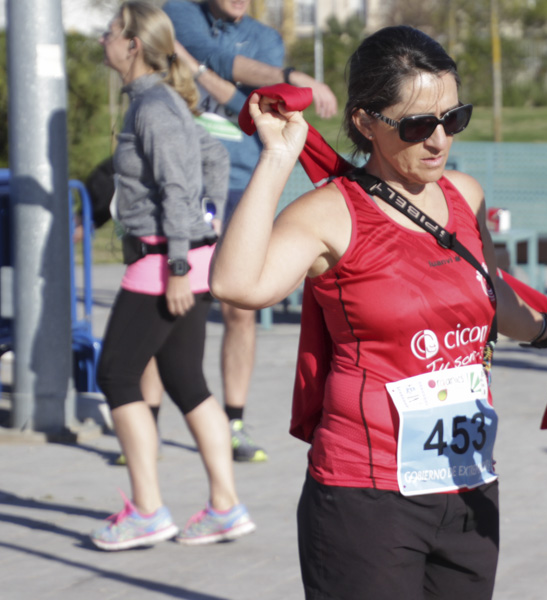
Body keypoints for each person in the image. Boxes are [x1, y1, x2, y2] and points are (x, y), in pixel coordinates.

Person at [210, 25, 547, 598]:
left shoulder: (465, 195)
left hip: (468, 483)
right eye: (416, 125)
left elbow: (488, 294)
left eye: (453, 119)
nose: (438, 141)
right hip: (368, 496)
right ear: (364, 123)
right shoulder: (329, 215)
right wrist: (278, 155)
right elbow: (236, 283)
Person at [90, 1, 255, 551]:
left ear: (132, 44)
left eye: (110, 31)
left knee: (115, 374)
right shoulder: (161, 102)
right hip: (182, 257)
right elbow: (209, 154)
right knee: (186, 382)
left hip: (166, 262)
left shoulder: (153, 107)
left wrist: (182, 260)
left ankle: (146, 509)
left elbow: (179, 188)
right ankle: (225, 508)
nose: (102, 38)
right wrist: (204, 227)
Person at [164, 0, 340, 463]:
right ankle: (142, 418)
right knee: (168, 300)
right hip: (182, 182)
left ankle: (234, 422)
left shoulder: (267, 38)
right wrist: (288, 78)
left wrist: (198, 68)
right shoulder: (177, 13)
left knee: (238, 308)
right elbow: (227, 64)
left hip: (240, 182)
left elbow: (254, 104)